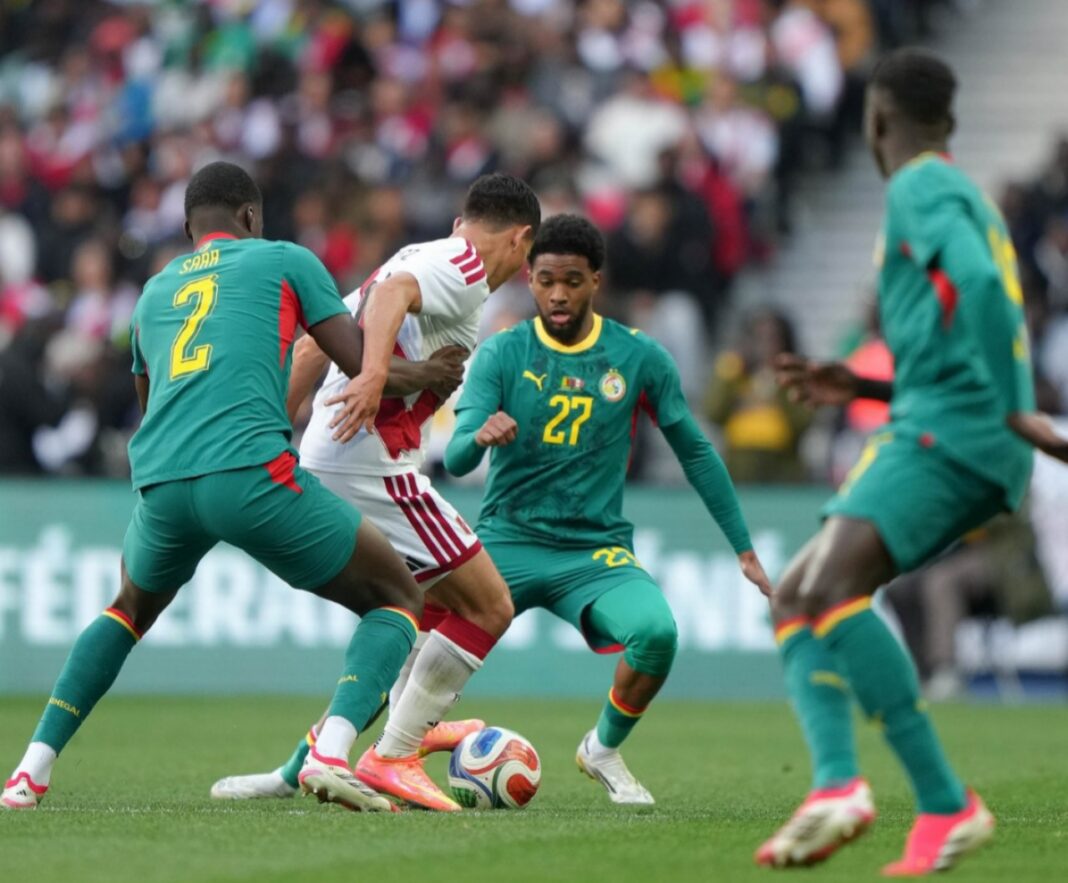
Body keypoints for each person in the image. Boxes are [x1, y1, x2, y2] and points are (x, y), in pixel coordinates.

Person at [2, 161, 427, 813]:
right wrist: (433, 373)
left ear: (187, 228)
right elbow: (361, 364)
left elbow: (150, 400)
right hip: (250, 473)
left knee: (126, 609)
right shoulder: (284, 259)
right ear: (251, 217)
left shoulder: (152, 292)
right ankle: (331, 753)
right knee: (397, 598)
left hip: (163, 482)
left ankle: (29, 771)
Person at [754, 49, 1065, 875]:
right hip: (951, 424)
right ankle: (865, 789)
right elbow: (962, 324)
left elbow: (981, 288)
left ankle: (922, 796)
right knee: (797, 595)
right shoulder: (966, 196)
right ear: (948, 121)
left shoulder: (917, 187)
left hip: (950, 435)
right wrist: (861, 383)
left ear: (876, 119)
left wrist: (1015, 407)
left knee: (824, 589)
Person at [210, 172, 541, 812]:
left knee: (414, 615)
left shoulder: (419, 254)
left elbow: (314, 343)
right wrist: (373, 376)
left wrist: (275, 427)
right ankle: (396, 752)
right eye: (528, 257)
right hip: (373, 465)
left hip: (335, 455)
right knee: (490, 606)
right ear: (520, 239)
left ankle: (307, 765)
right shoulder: (463, 265)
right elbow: (393, 295)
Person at [443, 214, 770, 803]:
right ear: (529, 279)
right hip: (507, 540)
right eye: (546, 281)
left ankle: (602, 748)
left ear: (596, 280)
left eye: (572, 281)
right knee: (409, 630)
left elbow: (696, 453)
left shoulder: (638, 356)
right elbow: (458, 456)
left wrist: (743, 548)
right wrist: (479, 435)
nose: (558, 294)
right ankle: (333, 758)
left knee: (656, 634)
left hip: (593, 552)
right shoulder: (502, 353)